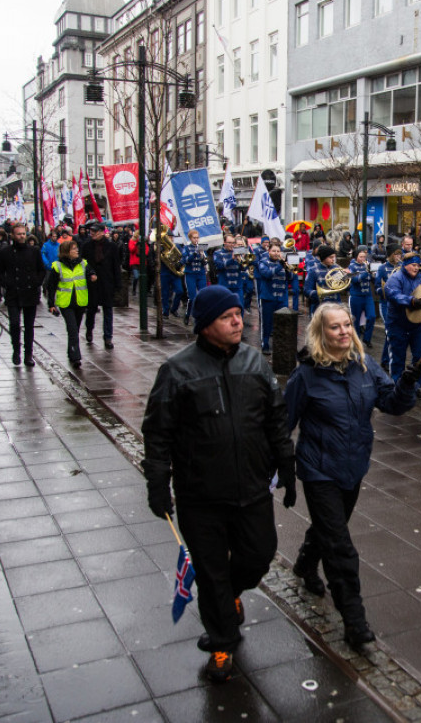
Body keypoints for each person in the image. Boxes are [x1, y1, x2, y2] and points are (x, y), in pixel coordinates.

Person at [141, 285, 296, 683]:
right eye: (228, 316)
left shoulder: (254, 363)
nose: (237, 321)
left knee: (259, 554)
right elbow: (158, 433)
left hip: (251, 487)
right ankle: (222, 642)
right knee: (210, 571)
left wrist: (286, 466)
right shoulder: (177, 370)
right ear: (206, 324)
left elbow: (276, 420)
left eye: (239, 314)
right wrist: (158, 484)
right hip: (200, 494)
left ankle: (230, 594)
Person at [284, 302, 417, 647]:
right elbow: (281, 424)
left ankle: (304, 562)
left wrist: (406, 385)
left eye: (347, 325)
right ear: (320, 333)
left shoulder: (364, 364)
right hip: (318, 469)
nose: (344, 331)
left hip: (354, 466)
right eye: (335, 327)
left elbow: (391, 403)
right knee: (341, 546)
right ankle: (354, 621)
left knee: (332, 526)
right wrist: (278, 467)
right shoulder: (306, 375)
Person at [0, 222, 45, 366]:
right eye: (19, 234)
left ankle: (28, 354)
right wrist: (6, 284)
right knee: (15, 323)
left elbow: (41, 270)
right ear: (12, 235)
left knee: (29, 326)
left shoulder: (33, 251)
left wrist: (36, 282)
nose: (22, 236)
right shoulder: (5, 252)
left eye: (23, 233)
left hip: (30, 292)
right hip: (13, 293)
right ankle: (16, 349)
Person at [384, 251, 421, 396]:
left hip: (417, 325)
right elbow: (392, 294)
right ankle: (398, 386)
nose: (416, 268)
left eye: (418, 265)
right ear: (405, 265)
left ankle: (414, 384)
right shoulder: (396, 278)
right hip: (398, 324)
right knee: (398, 358)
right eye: (413, 265)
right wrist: (410, 301)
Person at [45, 239, 97, 368]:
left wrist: (92, 276)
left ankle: (71, 350)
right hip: (66, 303)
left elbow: (91, 271)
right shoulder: (57, 266)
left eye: (76, 248)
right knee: (73, 329)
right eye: (74, 249)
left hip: (80, 301)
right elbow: (51, 286)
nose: (77, 251)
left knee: (75, 329)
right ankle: (76, 357)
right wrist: (51, 304)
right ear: (67, 252)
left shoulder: (83, 263)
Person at [81, 222, 121, 350]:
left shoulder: (111, 246)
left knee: (108, 310)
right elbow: (83, 263)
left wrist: (117, 284)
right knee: (91, 310)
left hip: (107, 282)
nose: (92, 234)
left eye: (95, 232)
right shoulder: (86, 246)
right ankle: (89, 330)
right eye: (91, 232)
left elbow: (116, 266)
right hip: (92, 283)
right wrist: (89, 274)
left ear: (102, 232)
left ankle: (108, 337)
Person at [257, 241, 293, 354]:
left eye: (278, 251)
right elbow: (267, 274)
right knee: (267, 323)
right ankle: (265, 343)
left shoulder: (283, 263)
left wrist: (288, 269)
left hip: (281, 298)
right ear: (269, 251)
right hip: (268, 297)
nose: (276, 253)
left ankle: (280, 345)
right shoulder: (263, 262)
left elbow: (290, 278)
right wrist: (280, 266)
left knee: (282, 323)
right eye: (274, 251)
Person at [375, 245, 403, 370]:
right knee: (389, 332)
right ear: (391, 255)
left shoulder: (401, 268)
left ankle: (393, 359)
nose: (398, 257)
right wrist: (385, 290)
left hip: (398, 304)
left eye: (399, 254)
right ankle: (385, 360)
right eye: (396, 254)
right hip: (386, 303)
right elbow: (376, 287)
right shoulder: (382, 268)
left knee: (397, 332)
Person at [348, 246, 376, 348]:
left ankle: (367, 339)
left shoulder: (367, 265)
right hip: (356, 296)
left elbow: (373, 279)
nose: (363, 259)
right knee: (356, 320)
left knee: (372, 317)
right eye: (361, 257)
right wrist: (366, 272)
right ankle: (356, 340)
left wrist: (374, 274)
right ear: (356, 256)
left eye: (364, 257)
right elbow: (355, 280)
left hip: (367, 295)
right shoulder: (352, 267)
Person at [181, 229, 208, 327]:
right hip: (190, 274)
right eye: (194, 238)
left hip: (200, 274)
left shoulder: (201, 248)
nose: (196, 240)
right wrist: (195, 253)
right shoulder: (187, 248)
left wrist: (202, 255)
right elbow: (185, 260)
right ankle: (188, 315)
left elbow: (205, 261)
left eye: (197, 237)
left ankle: (201, 316)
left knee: (202, 296)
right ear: (190, 238)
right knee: (192, 297)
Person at [213, 234, 245, 307]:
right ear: (224, 243)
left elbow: (243, 268)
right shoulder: (218, 253)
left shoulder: (238, 252)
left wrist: (243, 259)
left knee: (240, 307)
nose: (232, 245)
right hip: (225, 285)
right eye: (229, 243)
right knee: (225, 308)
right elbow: (219, 266)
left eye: (233, 243)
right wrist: (232, 259)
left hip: (237, 286)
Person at [128, 231, 148, 297]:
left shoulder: (144, 242)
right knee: (136, 276)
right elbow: (131, 250)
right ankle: (134, 290)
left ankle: (143, 291)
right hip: (134, 262)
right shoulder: (132, 241)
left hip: (142, 262)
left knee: (142, 278)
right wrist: (136, 244)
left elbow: (147, 251)